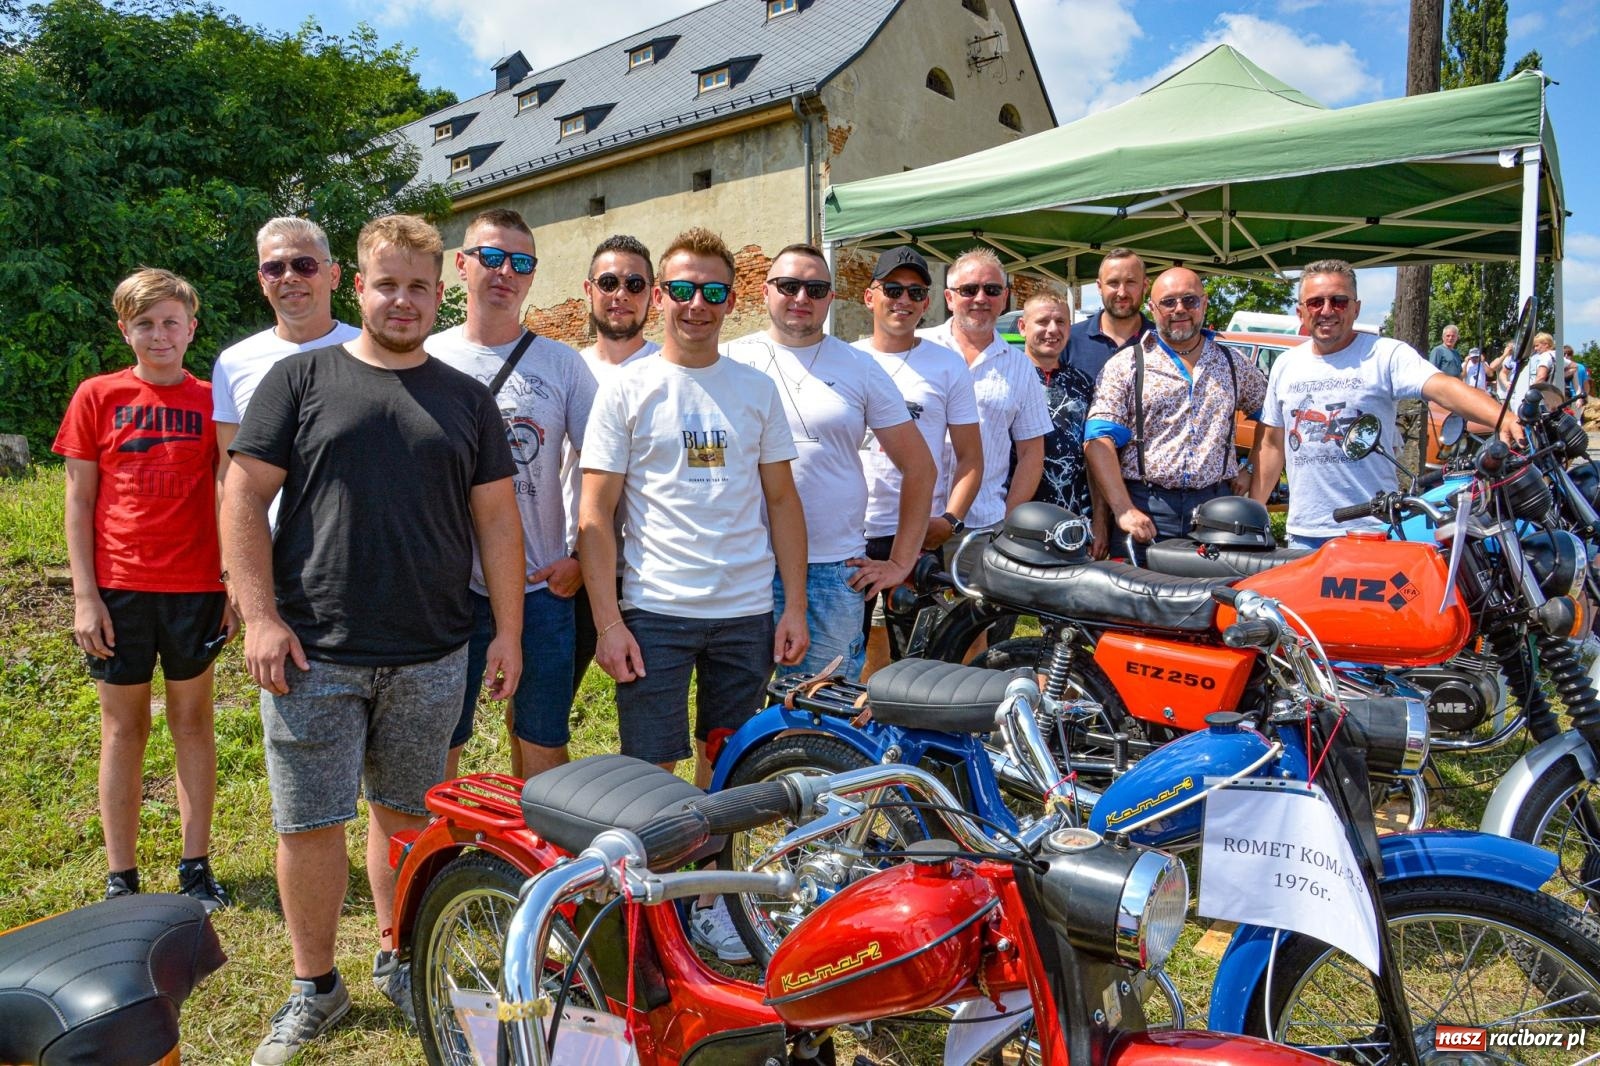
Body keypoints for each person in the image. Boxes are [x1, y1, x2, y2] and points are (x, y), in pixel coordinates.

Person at [224, 215, 524, 1063]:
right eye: (386, 283)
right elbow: (241, 498)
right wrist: (258, 616)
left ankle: (400, 955)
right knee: (309, 824)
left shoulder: (466, 398)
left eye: (419, 286)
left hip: (434, 650)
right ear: (359, 287)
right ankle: (314, 986)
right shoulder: (299, 378)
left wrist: (507, 630)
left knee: (409, 818)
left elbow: (498, 522)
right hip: (312, 650)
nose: (403, 299)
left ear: (441, 292)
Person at [577, 226, 807, 963]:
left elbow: (782, 503)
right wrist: (607, 622)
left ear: (731, 300)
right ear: (661, 298)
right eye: (680, 289)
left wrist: (793, 605)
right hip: (655, 611)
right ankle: (649, 906)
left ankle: (711, 900)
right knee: (649, 768)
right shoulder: (626, 388)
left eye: (711, 292)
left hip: (744, 611)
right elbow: (594, 515)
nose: (695, 305)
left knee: (729, 765)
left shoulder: (755, 388)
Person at [53, 267, 233, 912]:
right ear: (124, 329)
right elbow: (79, 502)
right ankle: (121, 878)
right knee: (123, 731)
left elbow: (226, 494)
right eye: (145, 324)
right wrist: (85, 595)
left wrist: (231, 584)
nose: (160, 335)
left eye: (171, 322)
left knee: (192, 724)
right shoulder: (97, 396)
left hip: (194, 589)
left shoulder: (214, 399)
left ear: (192, 326)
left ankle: (194, 864)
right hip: (118, 589)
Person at [427, 209, 596, 781]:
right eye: (492, 257)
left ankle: (546, 860)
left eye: (521, 262)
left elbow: (603, 471)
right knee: (439, 742)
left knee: (543, 737)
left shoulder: (561, 364)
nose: (506, 272)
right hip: (446, 589)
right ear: (461, 264)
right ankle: (439, 860)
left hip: (538, 585)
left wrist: (579, 555)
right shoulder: (428, 357)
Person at [726, 243, 934, 680]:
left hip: (832, 569)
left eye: (816, 288)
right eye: (789, 286)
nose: (802, 298)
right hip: (743, 565)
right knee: (731, 716)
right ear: (765, 292)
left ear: (831, 298)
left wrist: (900, 562)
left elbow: (920, 466)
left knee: (822, 712)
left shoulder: (859, 366)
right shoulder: (729, 359)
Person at [1249, 259, 1516, 549]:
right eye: (1315, 302)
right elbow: (1272, 445)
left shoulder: (1384, 354)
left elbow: (1442, 386)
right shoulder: (1286, 364)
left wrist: (1503, 419)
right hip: (1305, 534)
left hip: (1372, 531)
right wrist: (1251, 515)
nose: (1326, 310)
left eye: (1338, 301)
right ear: (1301, 311)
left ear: (1356, 308)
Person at [852, 246, 982, 678]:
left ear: (927, 303)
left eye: (915, 292)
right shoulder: (842, 358)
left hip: (917, 532)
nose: (903, 301)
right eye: (893, 289)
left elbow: (970, 458)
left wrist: (950, 519)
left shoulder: (946, 365)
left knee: (919, 666)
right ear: (870, 296)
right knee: (846, 655)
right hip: (848, 534)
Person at [1084, 268, 1265, 563]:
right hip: (1148, 509)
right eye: (1168, 302)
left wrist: (1251, 468)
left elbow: (1273, 422)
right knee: (1138, 604)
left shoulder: (1234, 363)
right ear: (1152, 308)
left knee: (1211, 603)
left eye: (1189, 300)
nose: (1179, 309)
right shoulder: (1127, 364)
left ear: (1204, 304)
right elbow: (1097, 440)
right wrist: (1123, 509)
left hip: (1216, 509)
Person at [565, 234, 661, 693]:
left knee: (648, 708)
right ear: (589, 290)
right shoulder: (567, 369)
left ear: (653, 294)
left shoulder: (670, 370)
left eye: (634, 283)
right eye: (608, 281)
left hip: (651, 573)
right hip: (570, 570)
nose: (620, 293)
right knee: (540, 707)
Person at [213, 218, 361, 506]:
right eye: (274, 268)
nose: (290, 277)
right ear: (262, 282)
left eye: (304, 265)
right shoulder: (233, 363)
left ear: (333, 275)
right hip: (266, 544)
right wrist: (229, 552)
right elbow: (228, 473)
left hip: (352, 544)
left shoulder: (369, 351)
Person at [917, 247, 1050, 540]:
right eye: (969, 289)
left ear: (1004, 298)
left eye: (991, 290)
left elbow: (1031, 453)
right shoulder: (917, 349)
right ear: (949, 298)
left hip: (983, 525)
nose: (980, 298)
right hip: (910, 518)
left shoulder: (1020, 366)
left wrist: (1008, 521)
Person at [1018, 289, 1102, 550]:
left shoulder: (1084, 383)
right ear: (1023, 327)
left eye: (1061, 322)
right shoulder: (1006, 378)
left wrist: (1099, 521)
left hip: (1071, 524)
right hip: (1014, 520)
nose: (1052, 330)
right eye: (1042, 322)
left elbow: (1094, 455)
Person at [1065, 248, 1153, 387]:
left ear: (1145, 286)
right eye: (1113, 283)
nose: (1122, 293)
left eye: (1130, 282)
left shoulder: (1163, 341)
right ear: (1099, 287)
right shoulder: (1069, 339)